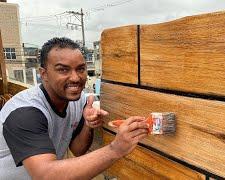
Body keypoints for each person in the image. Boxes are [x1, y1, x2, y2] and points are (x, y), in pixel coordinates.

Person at [0, 37, 149, 180]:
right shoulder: (25, 113)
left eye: (80, 69)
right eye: (63, 70)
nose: (75, 78)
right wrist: (116, 149)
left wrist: (87, 124)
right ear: (44, 74)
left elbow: (76, 151)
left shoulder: (78, 101)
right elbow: (45, 176)